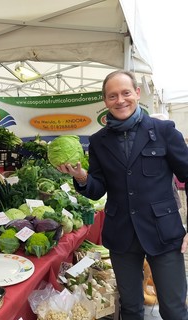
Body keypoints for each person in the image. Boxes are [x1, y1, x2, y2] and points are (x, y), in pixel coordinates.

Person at [58, 70, 188, 320]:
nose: (120, 100)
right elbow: (97, 190)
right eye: (112, 96)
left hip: (164, 233)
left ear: (137, 94)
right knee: (130, 308)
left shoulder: (163, 131)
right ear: (105, 101)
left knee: (174, 309)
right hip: (121, 235)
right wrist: (81, 176)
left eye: (126, 93)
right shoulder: (98, 141)